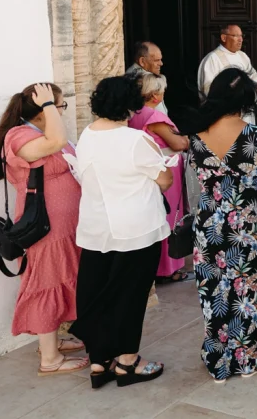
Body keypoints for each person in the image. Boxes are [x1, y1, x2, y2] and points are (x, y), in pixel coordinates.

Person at [71, 76, 174, 388]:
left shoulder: (86, 135)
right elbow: (165, 180)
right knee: (129, 294)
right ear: (130, 106)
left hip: (96, 227)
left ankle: (100, 360)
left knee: (97, 291)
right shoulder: (135, 140)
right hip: (135, 229)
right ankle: (128, 362)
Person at [185, 68, 257, 382]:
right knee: (250, 288)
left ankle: (219, 358)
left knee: (216, 288)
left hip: (211, 222)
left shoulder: (196, 134)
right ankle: (248, 358)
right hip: (251, 221)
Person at [0, 83, 87, 377]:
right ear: (43, 109)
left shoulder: (41, 132)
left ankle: (50, 340)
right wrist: (49, 106)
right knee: (46, 283)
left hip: (63, 226)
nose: (61, 111)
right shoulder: (19, 136)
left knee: (59, 278)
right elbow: (57, 142)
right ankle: (50, 359)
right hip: (44, 228)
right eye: (59, 106)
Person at [128, 73, 190, 282]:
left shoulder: (132, 114)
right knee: (168, 215)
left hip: (143, 170)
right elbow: (177, 144)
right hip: (163, 169)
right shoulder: (153, 116)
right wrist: (185, 139)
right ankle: (167, 268)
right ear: (155, 95)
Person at [197, 24, 257, 122]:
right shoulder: (212, 59)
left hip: (245, 113)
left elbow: (253, 77)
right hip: (223, 116)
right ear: (223, 37)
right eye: (236, 36)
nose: (241, 40)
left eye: (241, 36)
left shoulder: (243, 56)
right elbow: (209, 91)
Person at [126, 41, 167, 114]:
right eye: (156, 60)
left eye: (160, 60)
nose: (161, 63)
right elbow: (158, 113)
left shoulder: (130, 72)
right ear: (142, 61)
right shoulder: (146, 80)